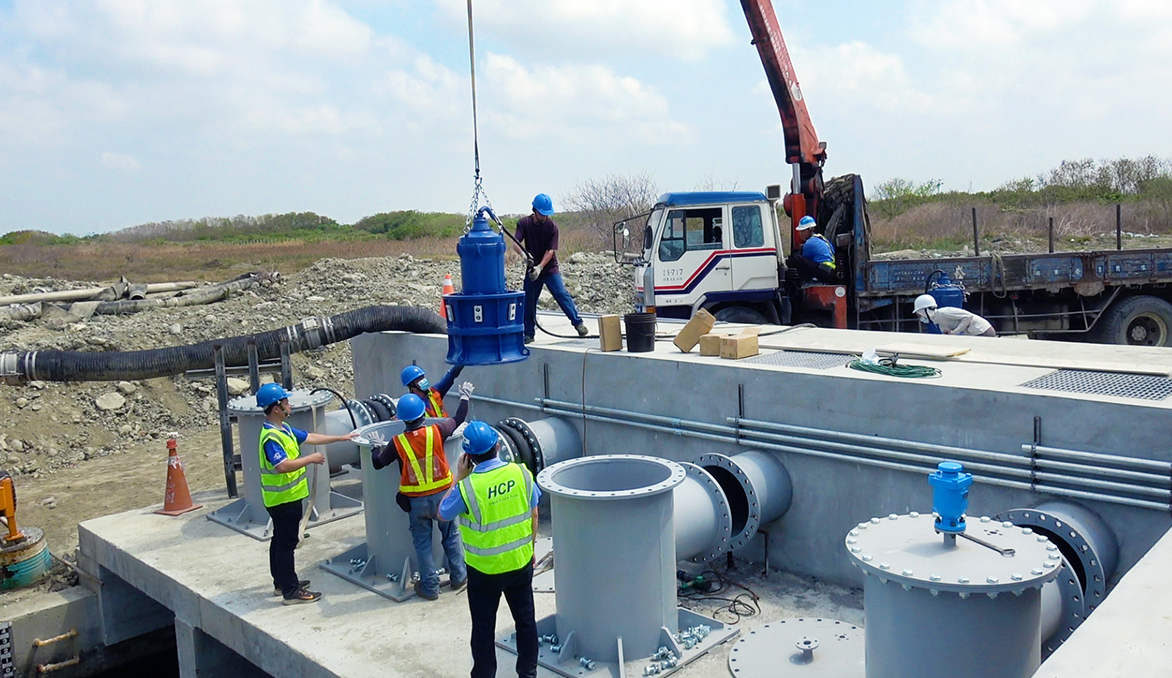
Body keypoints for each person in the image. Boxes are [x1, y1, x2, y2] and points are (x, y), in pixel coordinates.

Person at [438, 421, 540, 678]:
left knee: (483, 629)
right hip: (519, 564)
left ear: (468, 457)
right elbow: (534, 514)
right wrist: (530, 548)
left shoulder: (467, 487)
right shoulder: (521, 473)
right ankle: (528, 674)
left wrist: (458, 477)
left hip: (484, 572)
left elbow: (442, 513)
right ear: (497, 446)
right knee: (526, 623)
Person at [370, 383, 475, 600]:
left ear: (402, 419)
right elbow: (458, 418)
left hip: (416, 502)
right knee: (451, 535)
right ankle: (459, 576)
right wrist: (464, 397)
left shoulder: (398, 442)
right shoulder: (436, 431)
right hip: (443, 497)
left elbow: (378, 464)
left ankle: (430, 587)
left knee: (422, 544)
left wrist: (375, 447)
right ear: (422, 415)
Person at [257, 382, 358, 605]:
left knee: (279, 540)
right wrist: (311, 458)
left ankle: (281, 582)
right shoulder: (272, 437)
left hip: (285, 498)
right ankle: (290, 592)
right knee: (287, 544)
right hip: (283, 499)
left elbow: (309, 437)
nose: (290, 406)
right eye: (286, 402)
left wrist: (341, 438)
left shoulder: (283, 429)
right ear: (276, 408)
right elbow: (282, 466)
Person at [513, 193, 589, 344]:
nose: (545, 217)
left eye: (547, 214)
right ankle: (529, 333)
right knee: (528, 301)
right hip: (532, 269)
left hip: (549, 269)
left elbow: (550, 251)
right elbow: (515, 242)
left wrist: (540, 267)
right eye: (542, 213)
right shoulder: (524, 223)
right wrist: (524, 256)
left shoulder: (551, 227)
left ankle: (578, 324)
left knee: (561, 294)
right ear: (535, 210)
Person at [913, 294, 997, 336]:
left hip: (983, 331)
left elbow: (968, 317)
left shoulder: (944, 312)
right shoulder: (938, 322)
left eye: (920, 315)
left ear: (926, 310)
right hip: (974, 334)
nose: (921, 318)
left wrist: (954, 332)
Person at [788, 215, 837, 283]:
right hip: (830, 270)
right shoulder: (822, 238)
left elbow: (804, 260)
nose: (801, 233)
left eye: (803, 231)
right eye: (800, 231)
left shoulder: (809, 243)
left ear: (810, 229)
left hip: (824, 272)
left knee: (798, 258)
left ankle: (805, 282)